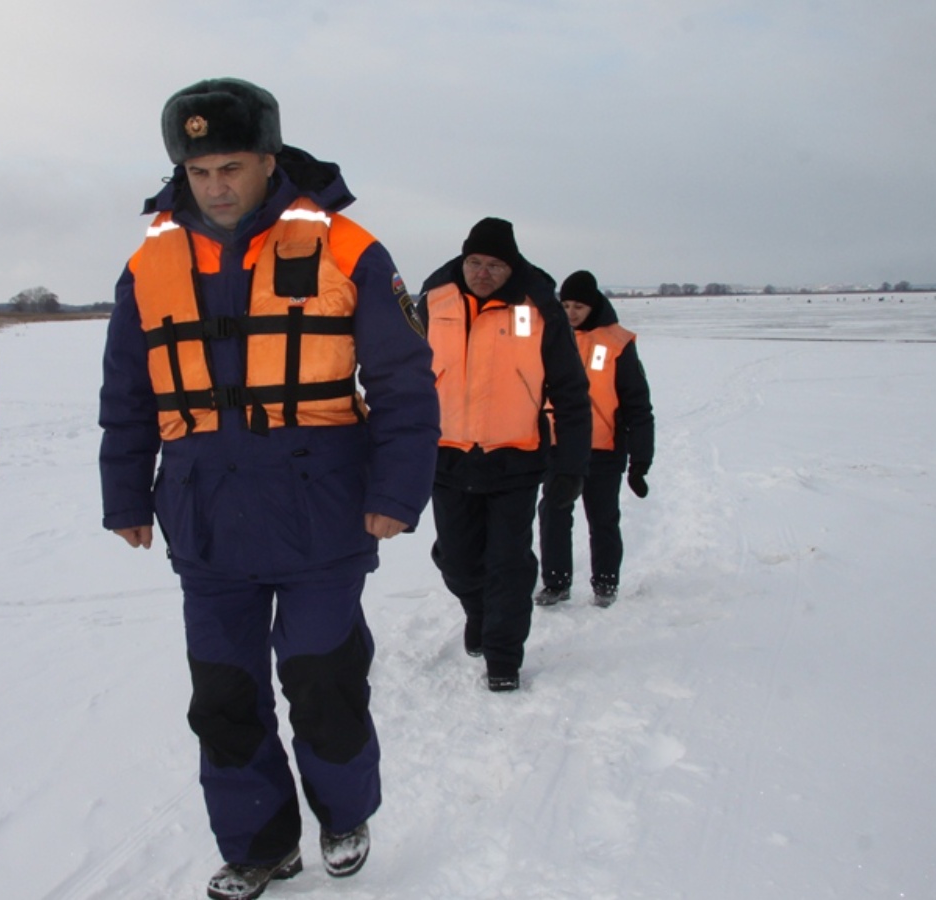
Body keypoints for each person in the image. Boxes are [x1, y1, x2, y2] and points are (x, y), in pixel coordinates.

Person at [98, 77, 440, 900]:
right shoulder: (149, 263)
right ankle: (260, 845)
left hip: (321, 510)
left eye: (231, 166)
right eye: (200, 169)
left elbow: (404, 381)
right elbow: (127, 391)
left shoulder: (351, 249)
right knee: (223, 693)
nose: (215, 186)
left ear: (269, 161)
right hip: (205, 516)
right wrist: (125, 495)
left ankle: (344, 812)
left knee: (322, 680)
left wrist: (399, 492)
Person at [418, 218, 591, 693]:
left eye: (495, 265)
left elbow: (571, 393)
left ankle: (503, 656)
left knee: (508, 563)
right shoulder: (433, 300)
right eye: (475, 262)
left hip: (515, 458)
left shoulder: (539, 308)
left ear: (511, 267)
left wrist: (570, 466)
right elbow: (404, 378)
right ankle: (478, 609)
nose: (483, 273)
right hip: (447, 456)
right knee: (456, 560)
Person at [535, 270, 655, 608]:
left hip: (604, 449)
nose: (570, 313)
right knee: (553, 515)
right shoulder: (549, 337)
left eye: (578, 306)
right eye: (566, 305)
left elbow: (638, 405)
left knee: (602, 519)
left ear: (594, 306)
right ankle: (556, 583)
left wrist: (640, 461)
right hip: (558, 447)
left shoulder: (617, 343)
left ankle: (605, 582)